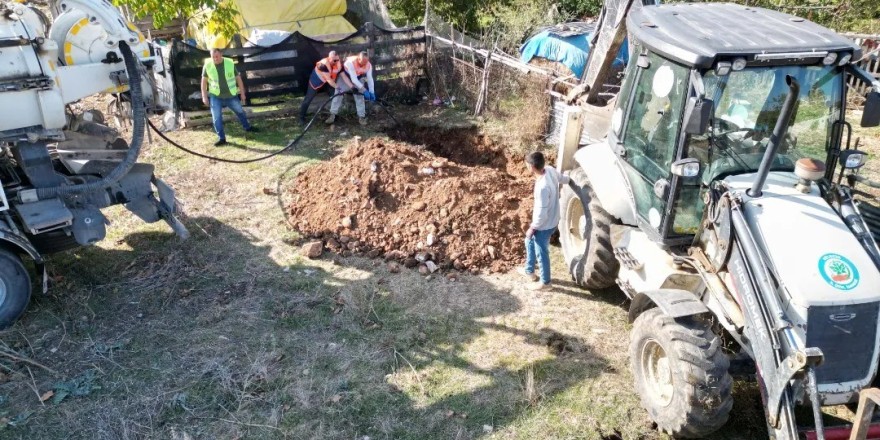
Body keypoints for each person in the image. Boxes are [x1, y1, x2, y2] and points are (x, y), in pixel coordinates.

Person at [520, 152, 569, 291]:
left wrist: (533, 227)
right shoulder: (550, 170)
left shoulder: (542, 187)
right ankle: (529, 271)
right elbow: (562, 178)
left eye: (527, 164)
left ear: (531, 167)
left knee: (541, 251)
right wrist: (572, 180)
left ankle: (546, 283)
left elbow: (542, 213)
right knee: (528, 240)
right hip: (552, 218)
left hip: (544, 224)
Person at [201, 48, 257, 146]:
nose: (215, 59)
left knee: (240, 111)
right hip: (216, 96)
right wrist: (204, 96)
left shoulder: (229, 63)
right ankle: (222, 138)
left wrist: (242, 93)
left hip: (231, 95)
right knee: (216, 118)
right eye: (213, 57)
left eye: (217, 56)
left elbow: (238, 79)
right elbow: (204, 82)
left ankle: (247, 127)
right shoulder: (207, 65)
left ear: (221, 55)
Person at [299, 51, 352, 125]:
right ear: (329, 58)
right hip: (317, 80)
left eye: (337, 59)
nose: (336, 61)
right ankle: (301, 118)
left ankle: (333, 115)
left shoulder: (339, 64)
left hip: (329, 81)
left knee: (334, 96)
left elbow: (344, 76)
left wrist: (351, 87)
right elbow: (329, 80)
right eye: (334, 60)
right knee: (308, 98)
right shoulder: (322, 64)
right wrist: (339, 88)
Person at [327, 51, 375, 126]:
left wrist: (372, 91)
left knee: (360, 97)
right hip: (345, 78)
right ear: (358, 59)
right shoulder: (350, 62)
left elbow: (370, 78)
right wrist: (364, 90)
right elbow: (353, 79)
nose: (365, 64)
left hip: (358, 78)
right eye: (363, 62)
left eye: (366, 61)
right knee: (338, 95)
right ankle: (332, 115)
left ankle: (361, 117)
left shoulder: (368, 65)